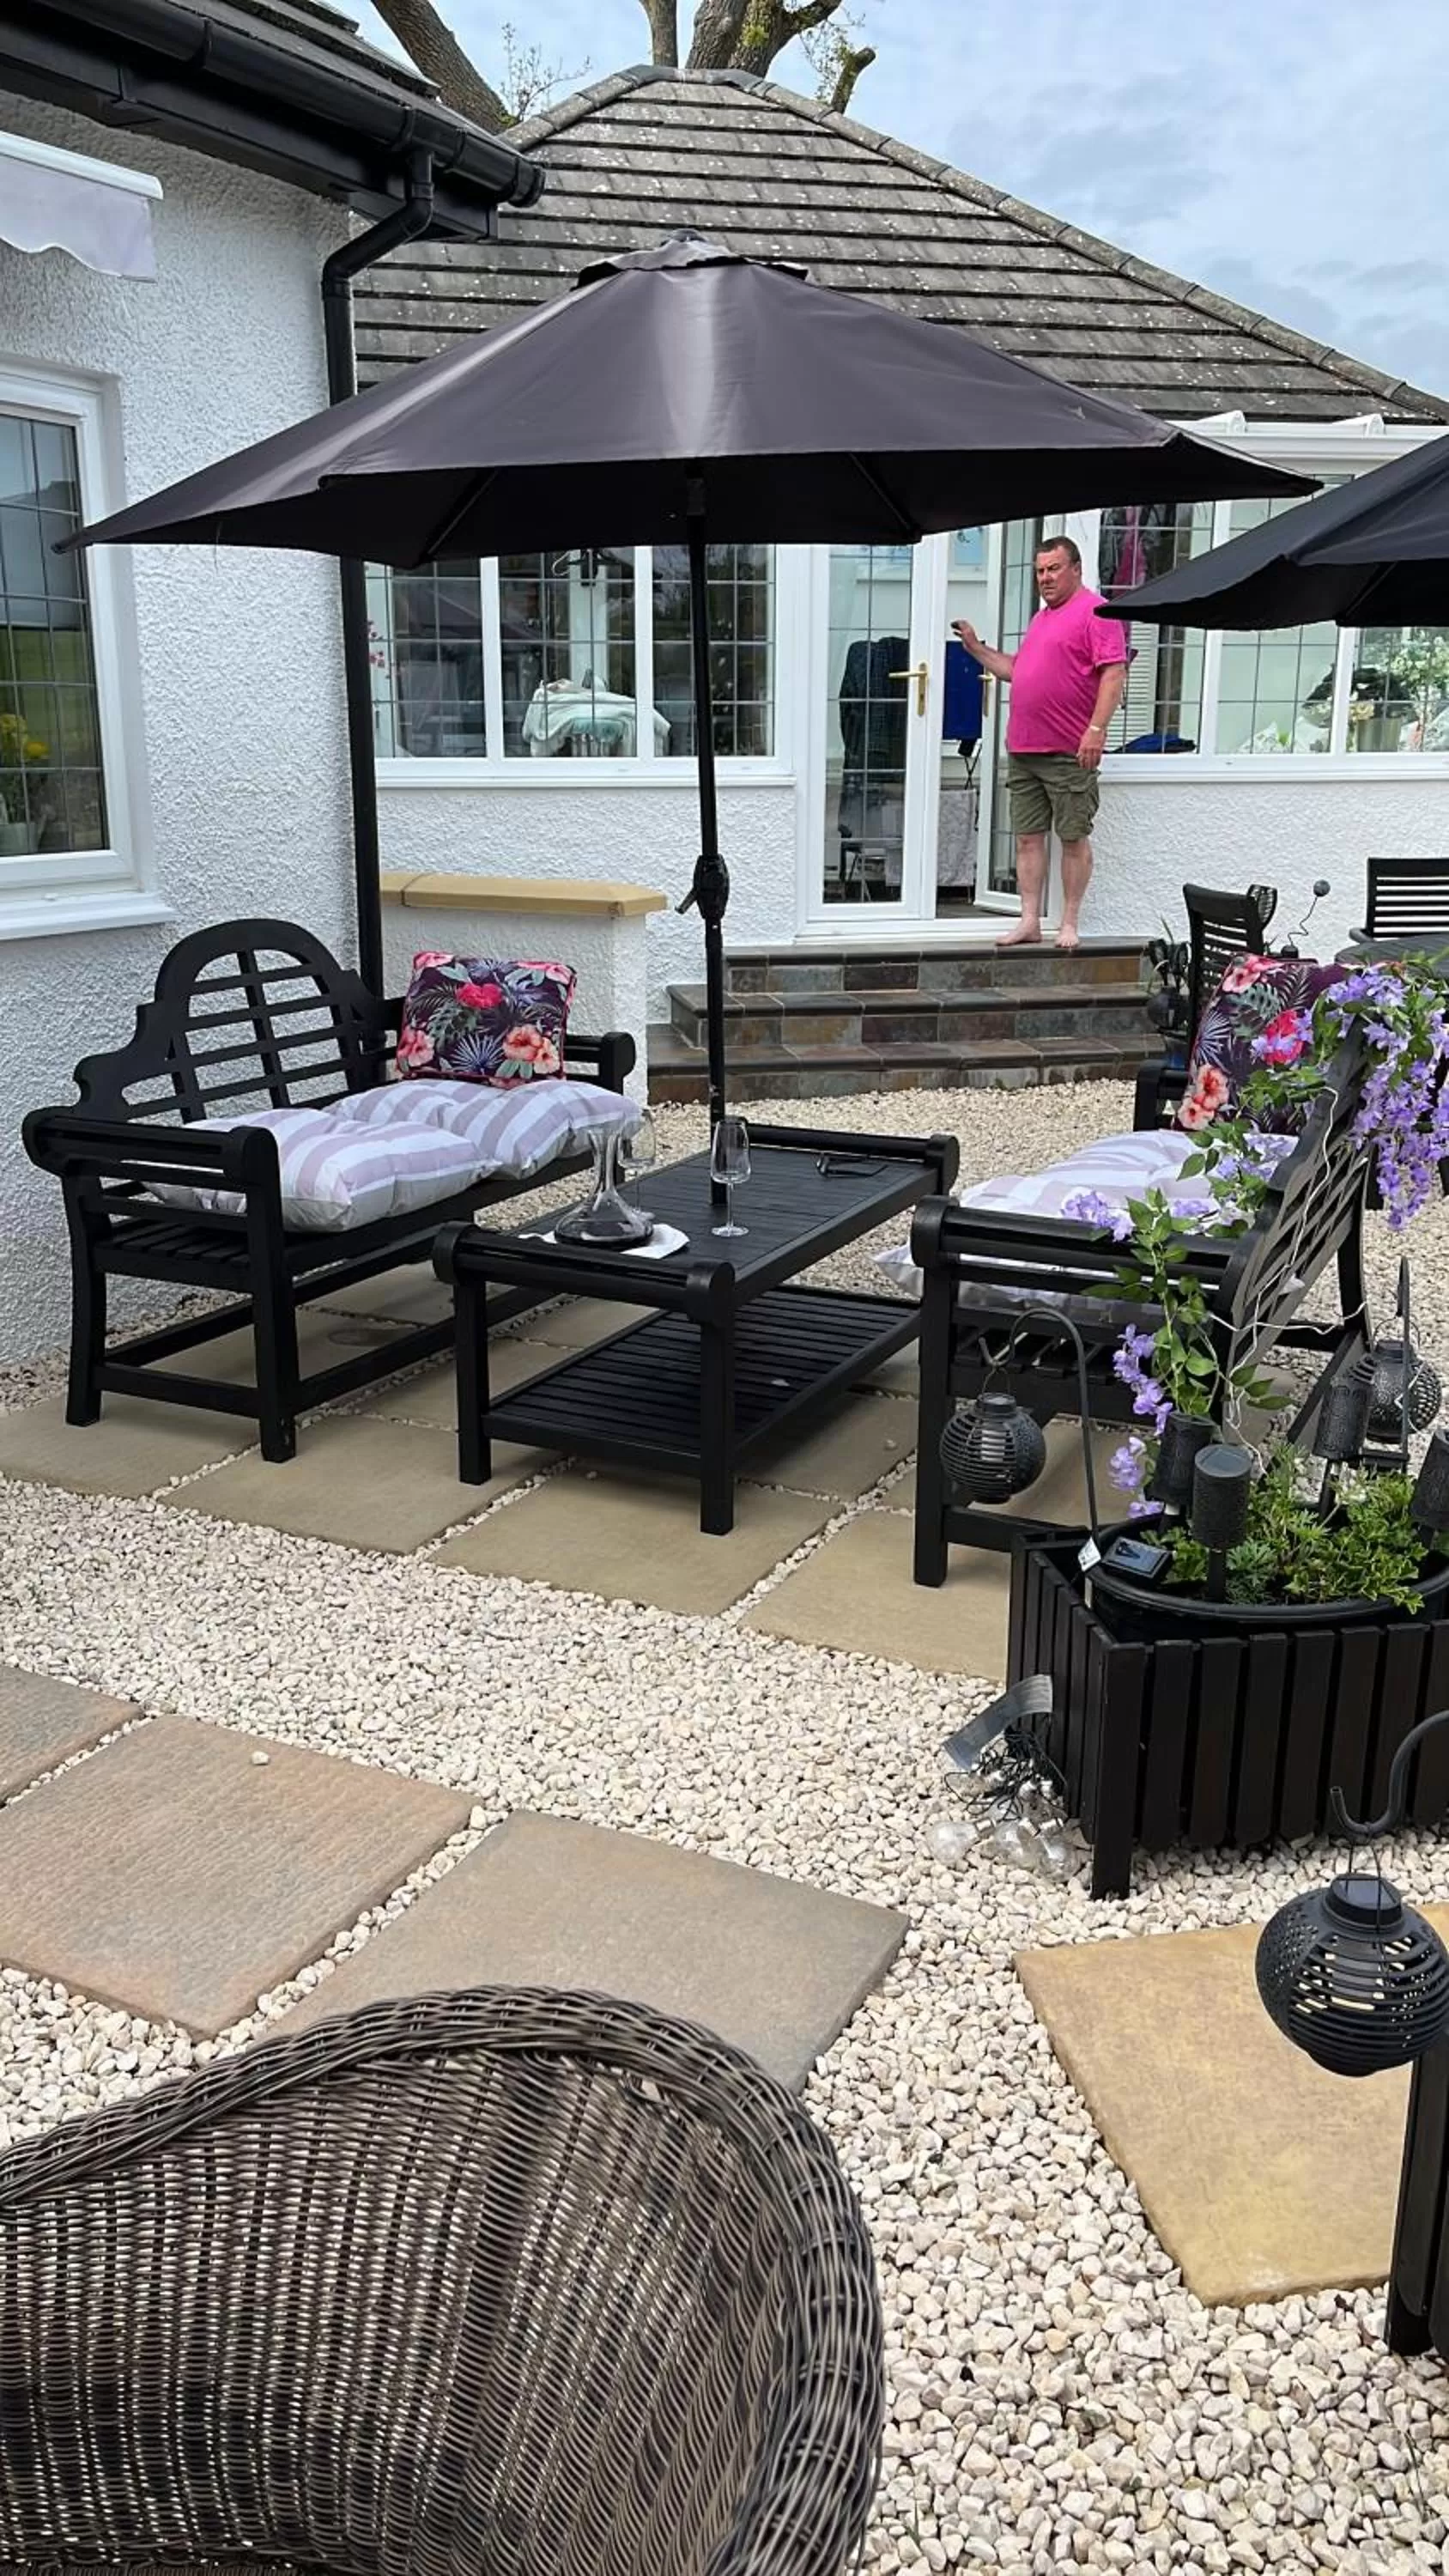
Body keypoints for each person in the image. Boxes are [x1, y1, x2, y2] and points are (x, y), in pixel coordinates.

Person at [954, 535, 1130, 951]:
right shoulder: (1041, 619)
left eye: (1053, 569)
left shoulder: (1097, 612)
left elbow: (1114, 673)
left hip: (1069, 751)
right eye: (1040, 571)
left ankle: (1069, 923)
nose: (1045, 578)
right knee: (1027, 838)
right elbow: (1017, 670)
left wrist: (1096, 730)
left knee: (1072, 837)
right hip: (1024, 750)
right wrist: (976, 648)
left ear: (1076, 569)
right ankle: (1029, 921)